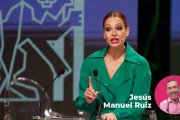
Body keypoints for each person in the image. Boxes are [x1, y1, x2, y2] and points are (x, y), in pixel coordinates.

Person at [75, 11, 151, 120]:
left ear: (127, 32)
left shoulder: (140, 64)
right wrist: (88, 100)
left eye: (119, 28)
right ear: (104, 34)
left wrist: (117, 115)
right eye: (108, 29)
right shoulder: (91, 62)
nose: (113, 33)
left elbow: (138, 104)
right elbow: (83, 105)